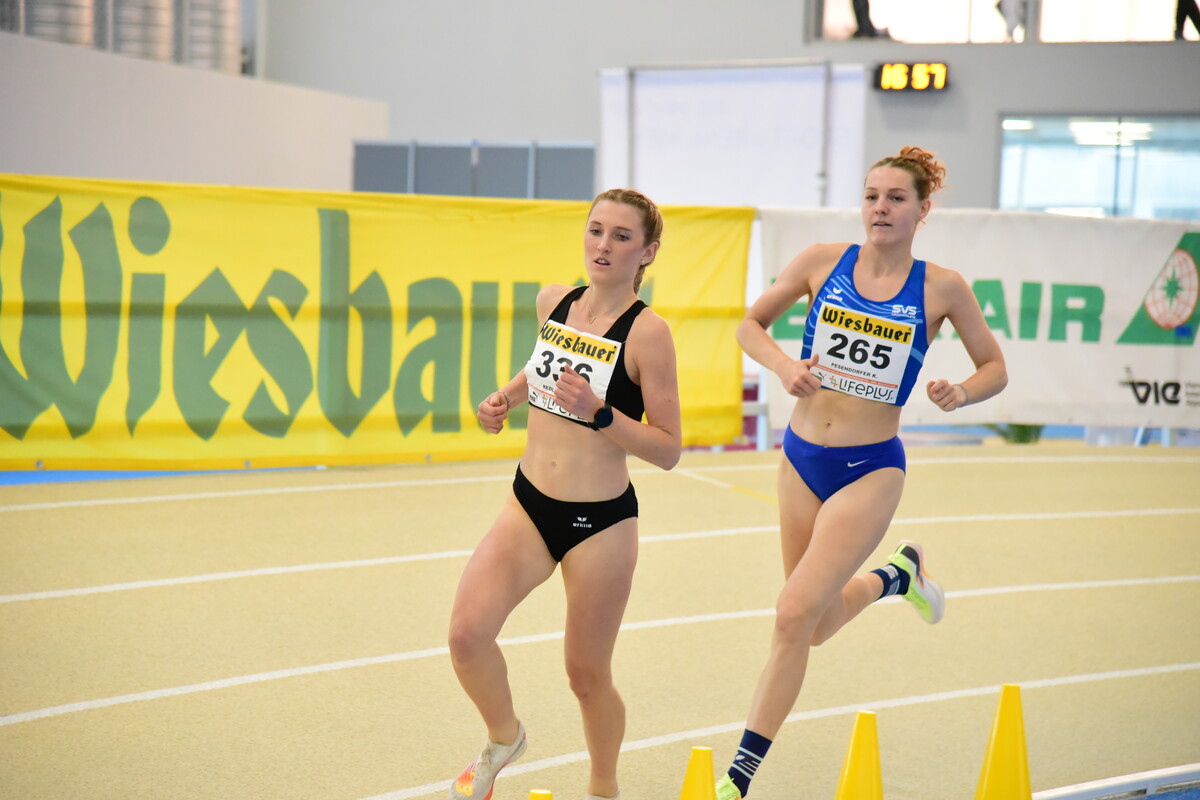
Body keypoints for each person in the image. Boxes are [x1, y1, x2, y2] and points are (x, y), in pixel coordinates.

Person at [714, 147, 1008, 800]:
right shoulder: (823, 262)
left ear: (921, 210)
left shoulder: (942, 287)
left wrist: (962, 391)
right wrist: (785, 366)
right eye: (872, 195)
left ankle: (737, 779)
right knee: (812, 626)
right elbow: (749, 324)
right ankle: (894, 577)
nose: (881, 207)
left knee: (791, 615)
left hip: (870, 470)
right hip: (801, 457)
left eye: (896, 198)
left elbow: (996, 368)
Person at [446, 189, 682, 800]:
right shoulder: (555, 301)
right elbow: (544, 369)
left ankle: (604, 787)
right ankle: (504, 738)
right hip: (529, 505)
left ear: (647, 251)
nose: (603, 246)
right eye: (596, 230)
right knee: (467, 636)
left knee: (586, 675)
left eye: (622, 237)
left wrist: (602, 415)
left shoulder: (650, 333)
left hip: (599, 523)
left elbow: (668, 448)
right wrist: (505, 397)